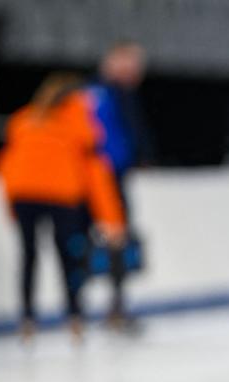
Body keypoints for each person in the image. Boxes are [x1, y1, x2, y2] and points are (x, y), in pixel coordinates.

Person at [0, 73, 126, 342]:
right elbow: (96, 173)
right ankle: (74, 317)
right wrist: (112, 219)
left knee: (29, 256)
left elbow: (7, 166)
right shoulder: (79, 124)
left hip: (24, 196)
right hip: (62, 196)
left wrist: (10, 204)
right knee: (68, 256)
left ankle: (28, 319)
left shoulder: (23, 120)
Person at [85, 40, 154, 330]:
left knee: (113, 239)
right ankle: (110, 307)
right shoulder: (103, 94)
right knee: (114, 238)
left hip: (102, 175)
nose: (136, 71)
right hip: (102, 177)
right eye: (130, 63)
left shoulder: (104, 94)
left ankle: (109, 305)